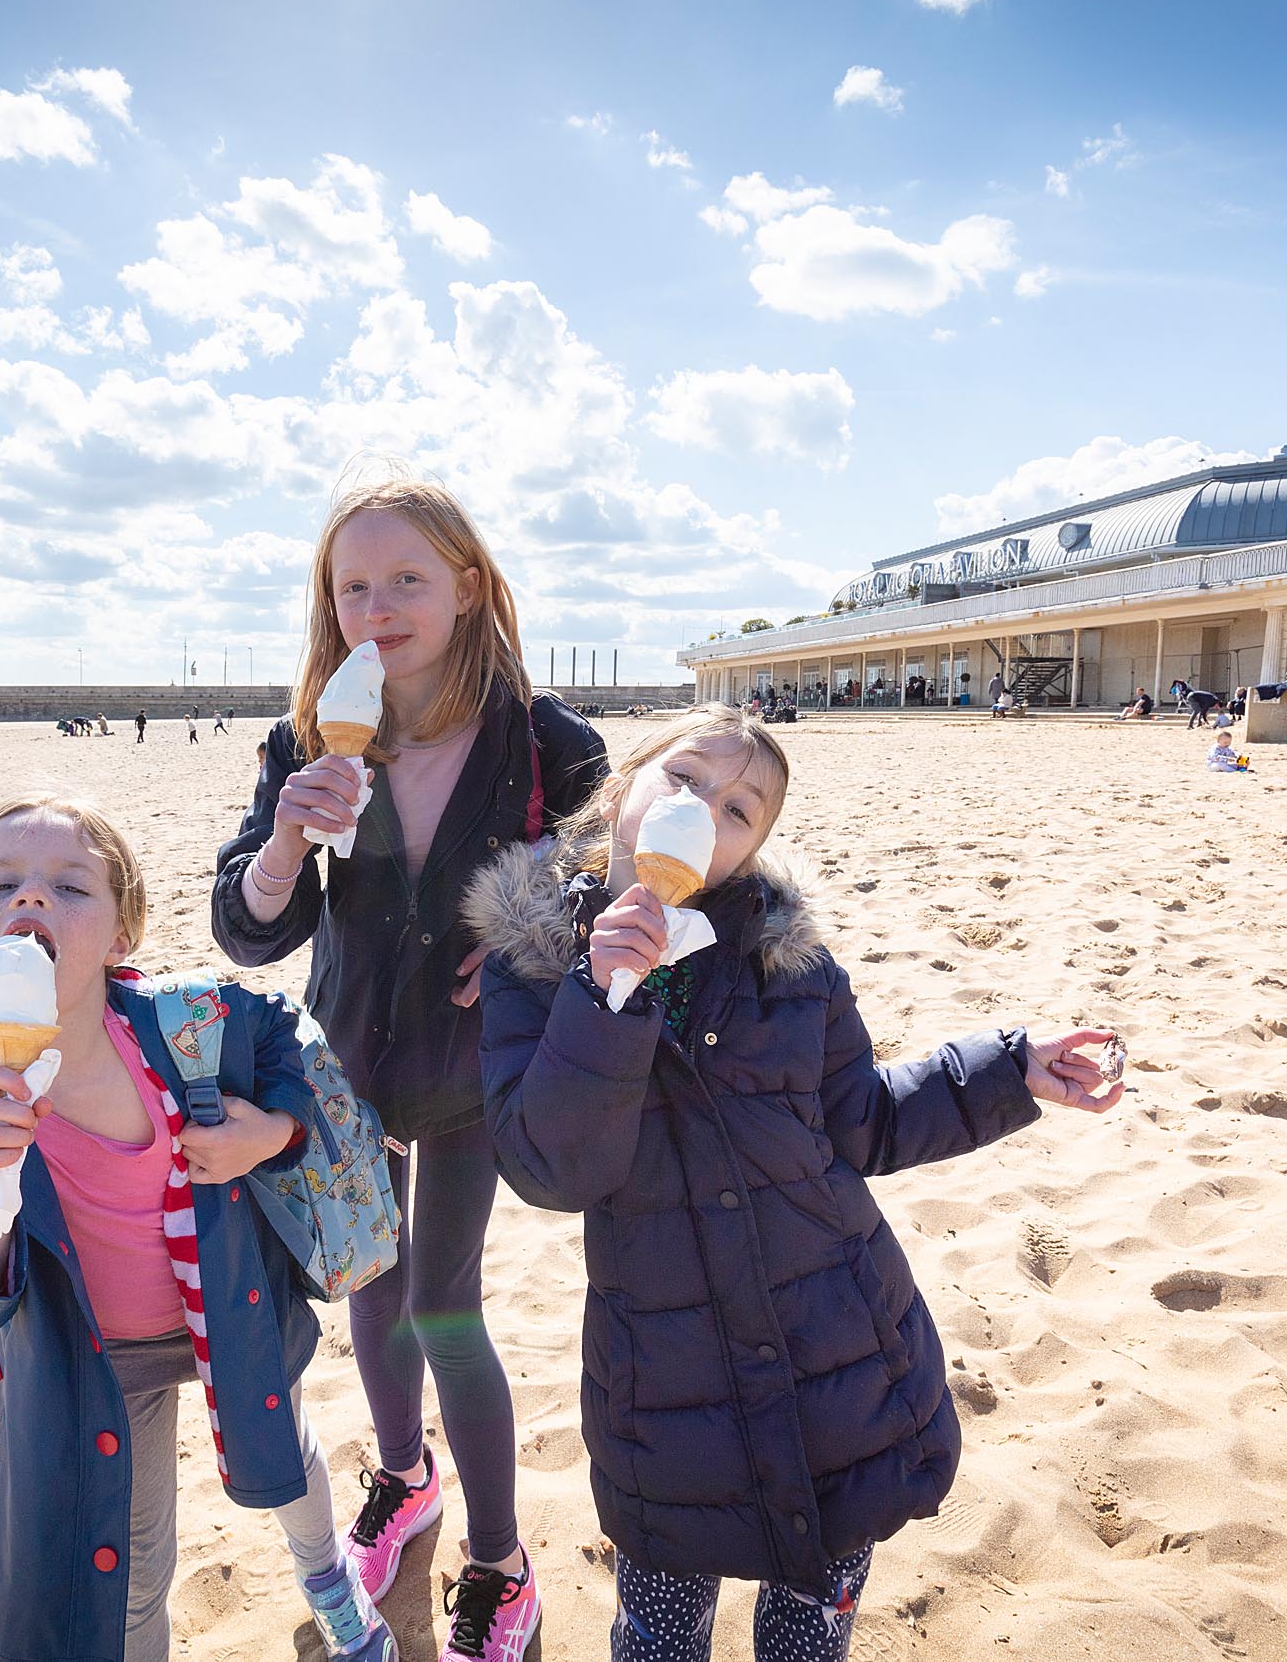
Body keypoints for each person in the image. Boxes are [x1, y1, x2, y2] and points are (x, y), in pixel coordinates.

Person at [467, 705, 1122, 1661]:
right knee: (659, 1627)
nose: (707, 810)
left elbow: (866, 1117)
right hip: (666, 1379)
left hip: (837, 1352)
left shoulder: (789, 967)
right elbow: (549, 1167)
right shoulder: (531, 973)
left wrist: (1007, 1068)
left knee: (812, 1623)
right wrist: (603, 996)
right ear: (621, 792)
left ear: (751, 850)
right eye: (686, 779)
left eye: (740, 809)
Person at [0, 796, 394, 1662]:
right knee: (130, 1562)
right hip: (92, 1358)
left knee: (285, 1453)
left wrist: (268, 1134)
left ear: (122, 938)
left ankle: (329, 1582)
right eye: (1, 884)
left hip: (223, 1305)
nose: (32, 901)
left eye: (69, 886)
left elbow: (285, 1039)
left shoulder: (183, 1028)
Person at [212, 467, 607, 1661]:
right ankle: (403, 1475)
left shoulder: (546, 740)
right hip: (352, 1063)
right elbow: (247, 926)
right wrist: (287, 831)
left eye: (405, 580)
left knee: (444, 1298)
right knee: (368, 1285)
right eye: (351, 586)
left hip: (479, 1071)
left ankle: (498, 1559)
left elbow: (612, 890)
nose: (376, 607)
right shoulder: (304, 734)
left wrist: (537, 940)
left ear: (467, 587)